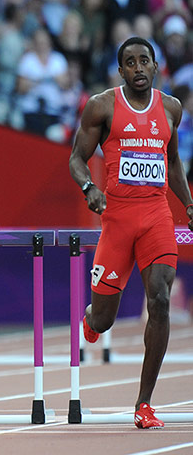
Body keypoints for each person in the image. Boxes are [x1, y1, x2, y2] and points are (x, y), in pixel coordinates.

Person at [68, 37, 193, 429]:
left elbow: (171, 163)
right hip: (118, 220)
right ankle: (90, 319)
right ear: (120, 71)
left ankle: (144, 404)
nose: (138, 68)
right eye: (130, 62)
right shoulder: (102, 106)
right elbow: (77, 158)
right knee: (104, 320)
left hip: (156, 216)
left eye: (145, 61)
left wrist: (189, 205)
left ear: (156, 68)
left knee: (159, 300)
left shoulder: (171, 108)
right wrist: (90, 188)